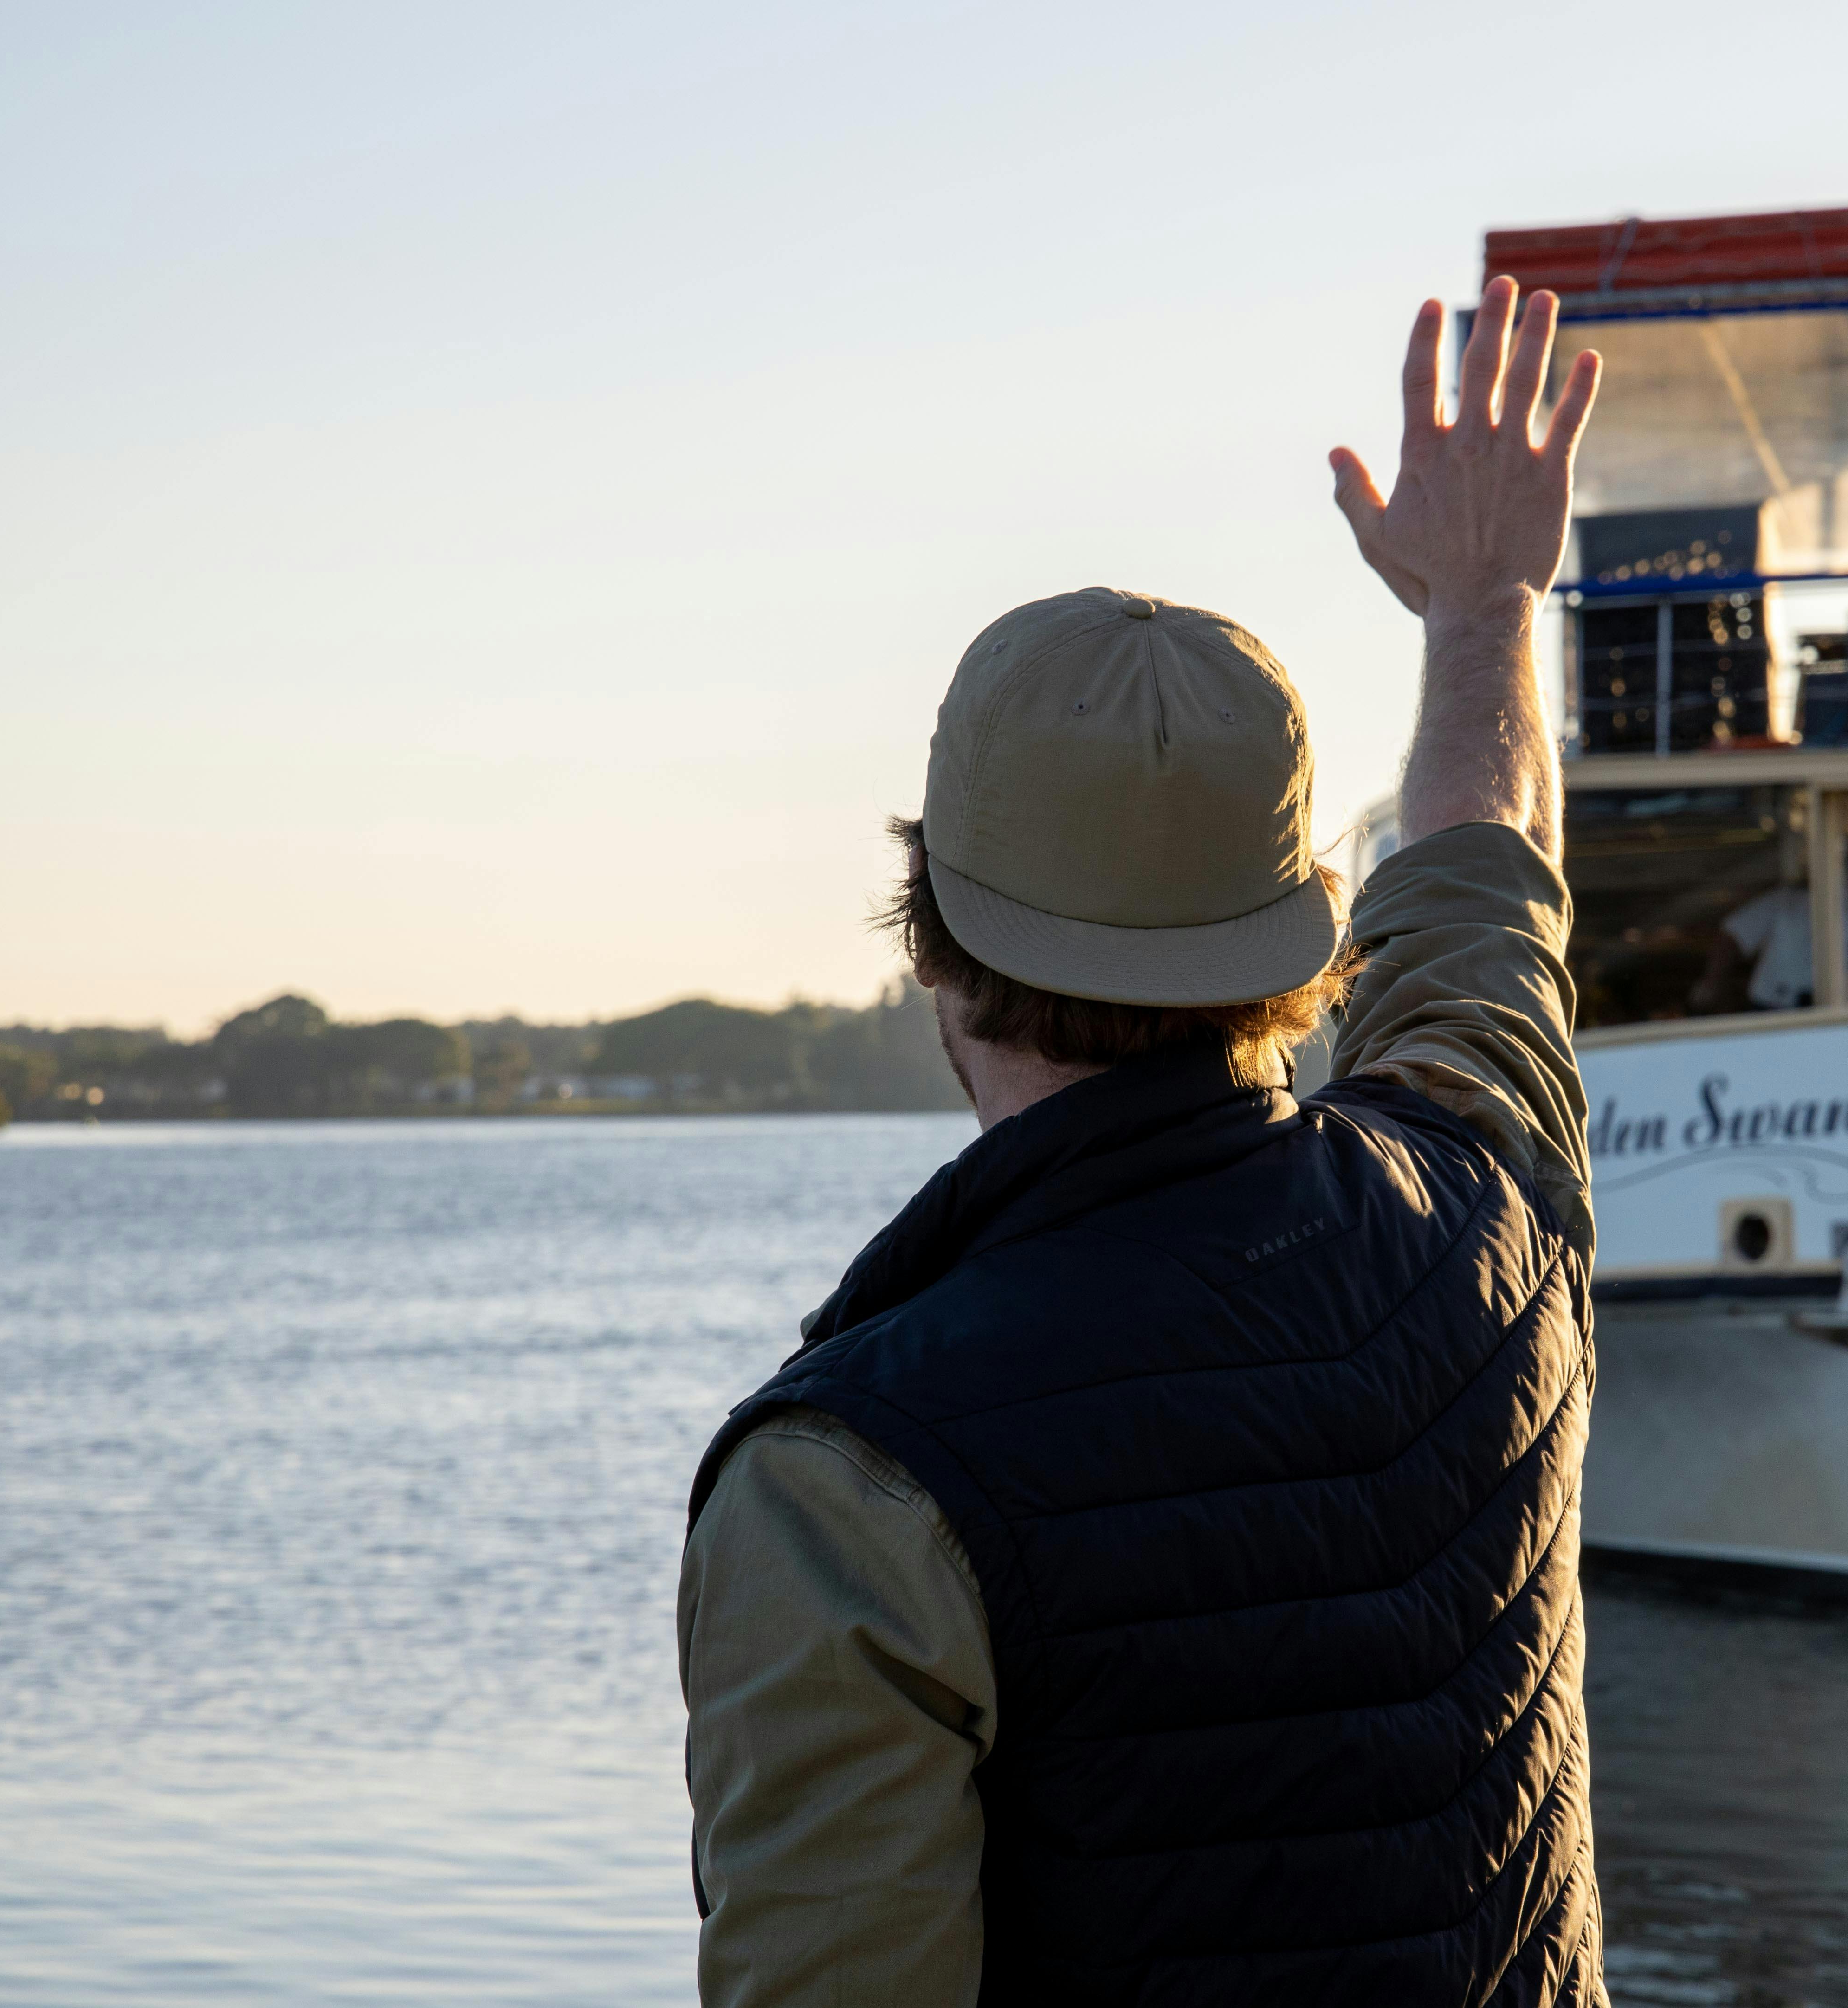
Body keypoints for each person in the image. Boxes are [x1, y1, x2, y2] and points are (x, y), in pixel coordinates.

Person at [675, 279, 1610, 2005]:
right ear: (1296, 941)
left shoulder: (853, 1484)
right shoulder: (1490, 1209)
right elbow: (1488, 870)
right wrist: (1486, 603)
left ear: (927, 937)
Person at [1700, 833, 1848, 1011]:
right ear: (1835, 863)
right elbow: (1733, 936)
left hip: (1819, 1017)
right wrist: (1712, 985)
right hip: (1765, 1009)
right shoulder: (1787, 901)